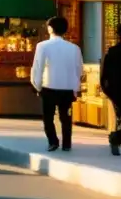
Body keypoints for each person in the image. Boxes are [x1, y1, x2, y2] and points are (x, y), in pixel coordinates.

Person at [31, 15, 84, 152]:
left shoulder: (42, 46)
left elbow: (38, 67)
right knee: (66, 117)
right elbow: (79, 69)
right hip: (67, 88)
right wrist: (75, 88)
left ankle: (53, 141)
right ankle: (67, 143)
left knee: (48, 117)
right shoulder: (74, 48)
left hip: (49, 86)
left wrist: (37, 85)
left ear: (50, 28)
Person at [102, 18, 121, 156]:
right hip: (120, 95)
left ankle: (116, 138)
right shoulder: (114, 53)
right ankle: (116, 138)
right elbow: (105, 76)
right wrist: (110, 93)